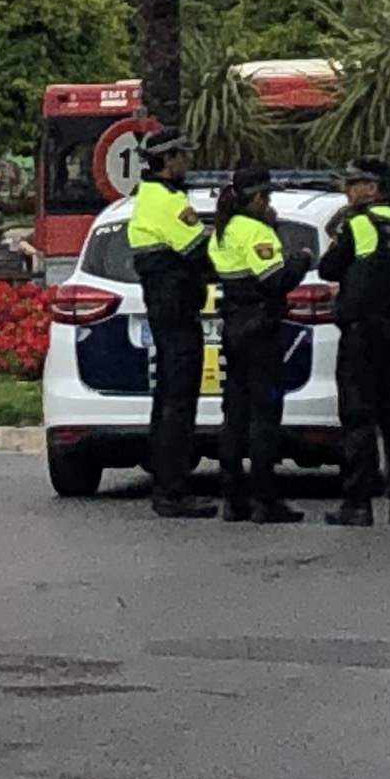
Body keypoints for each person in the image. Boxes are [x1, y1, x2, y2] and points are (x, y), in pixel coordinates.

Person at [322, 158, 390, 527]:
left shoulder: (360, 224)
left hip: (363, 331)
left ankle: (358, 504)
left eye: (354, 184)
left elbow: (330, 267)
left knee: (358, 417)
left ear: (372, 188)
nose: (348, 191)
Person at [208, 160, 305, 523]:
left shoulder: (224, 230)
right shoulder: (255, 231)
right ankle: (266, 499)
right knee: (265, 415)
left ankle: (233, 497)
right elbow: (275, 280)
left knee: (235, 412)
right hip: (261, 329)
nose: (269, 203)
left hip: (234, 327)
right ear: (258, 198)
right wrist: (301, 260)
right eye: (266, 196)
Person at [125, 134, 214, 519]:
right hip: (177, 310)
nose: (187, 164)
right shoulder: (168, 201)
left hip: (167, 308)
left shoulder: (148, 197)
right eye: (183, 157)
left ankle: (167, 484)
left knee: (167, 399)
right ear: (168, 159)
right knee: (178, 400)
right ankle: (173, 490)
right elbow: (200, 251)